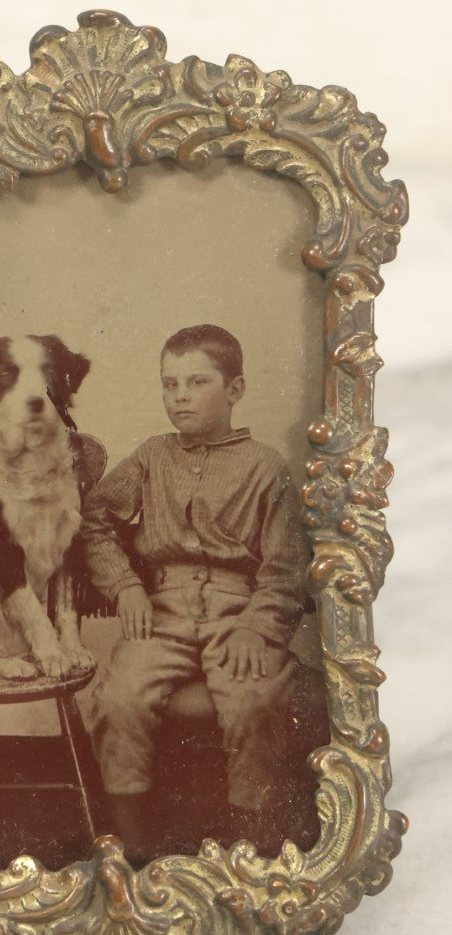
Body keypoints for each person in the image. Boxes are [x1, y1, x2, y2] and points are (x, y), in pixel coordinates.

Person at [80, 324, 321, 858]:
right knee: (121, 698)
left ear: (234, 390)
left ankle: (248, 849)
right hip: (163, 612)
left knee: (253, 700)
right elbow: (94, 517)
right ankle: (132, 855)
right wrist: (126, 589)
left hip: (240, 613)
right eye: (169, 385)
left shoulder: (265, 467)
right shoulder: (153, 456)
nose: (180, 397)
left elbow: (285, 565)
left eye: (196, 382)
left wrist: (258, 627)